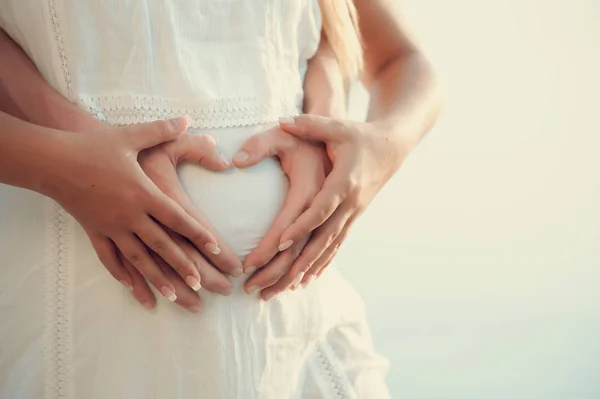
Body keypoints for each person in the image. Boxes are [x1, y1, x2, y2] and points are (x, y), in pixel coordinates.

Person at [0, 0, 441, 398]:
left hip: (301, 334)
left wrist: (377, 149)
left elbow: (403, 60)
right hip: (83, 324)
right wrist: (63, 162)